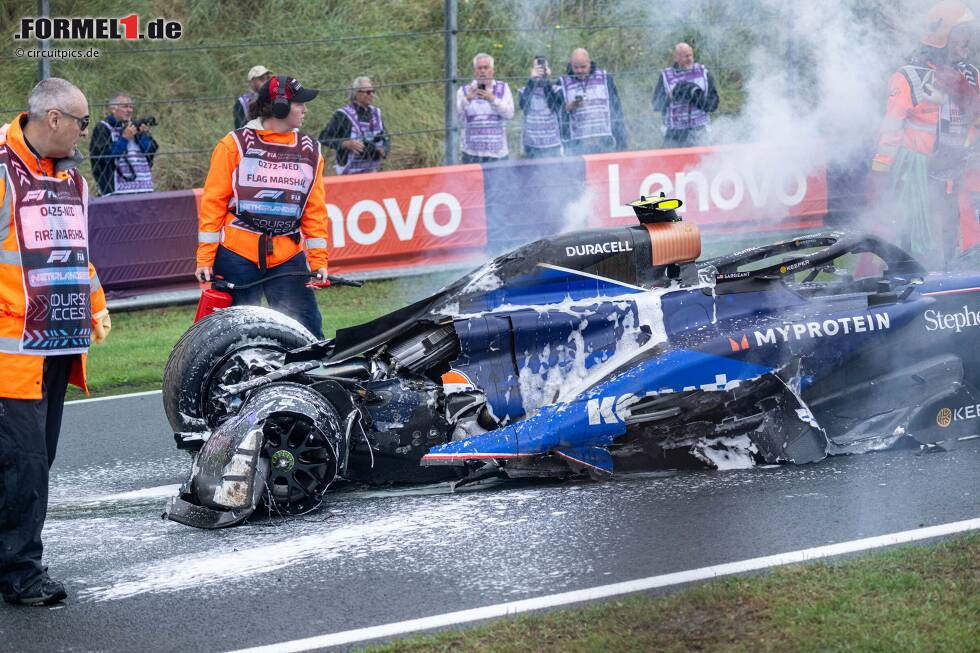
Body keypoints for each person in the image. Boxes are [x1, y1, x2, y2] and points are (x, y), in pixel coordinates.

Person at [0, 78, 111, 606]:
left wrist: (96, 302)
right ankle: (22, 574)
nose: (86, 132)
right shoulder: (2, 169)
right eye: (82, 122)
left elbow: (74, 251)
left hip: (57, 344)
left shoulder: (73, 181)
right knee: (22, 463)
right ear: (52, 119)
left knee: (35, 460)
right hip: (9, 350)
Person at [196, 76, 329, 338]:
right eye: (299, 104)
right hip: (237, 255)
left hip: (288, 257)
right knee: (230, 336)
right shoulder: (233, 145)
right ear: (279, 107)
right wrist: (205, 257)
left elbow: (314, 210)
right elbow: (213, 203)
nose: (305, 109)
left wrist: (318, 260)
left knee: (308, 335)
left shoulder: (311, 150)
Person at [871, 0, 979, 268]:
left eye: (969, 33)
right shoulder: (908, 77)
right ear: (943, 36)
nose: (967, 40)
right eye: (961, 33)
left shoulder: (972, 75)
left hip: (962, 172)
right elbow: (892, 127)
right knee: (922, 242)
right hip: (919, 177)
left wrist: (967, 96)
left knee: (964, 239)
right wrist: (881, 171)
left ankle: (961, 287)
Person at [558, 48, 627, 155]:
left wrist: (621, 139)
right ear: (571, 64)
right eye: (576, 67)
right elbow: (556, 111)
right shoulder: (562, 82)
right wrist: (569, 106)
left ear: (590, 63)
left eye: (583, 67)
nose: (579, 70)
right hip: (576, 144)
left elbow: (616, 107)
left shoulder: (605, 78)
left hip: (604, 140)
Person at [651, 42, 721, 148]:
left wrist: (696, 95)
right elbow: (656, 105)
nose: (689, 59)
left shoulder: (704, 73)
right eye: (685, 56)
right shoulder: (665, 76)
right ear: (676, 57)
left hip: (699, 131)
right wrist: (672, 95)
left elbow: (714, 104)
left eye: (690, 55)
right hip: (674, 133)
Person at [89, 93, 158, 196]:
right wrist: (124, 139)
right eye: (125, 106)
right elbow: (102, 159)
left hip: (144, 189)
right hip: (116, 193)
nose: (129, 110)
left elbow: (150, 152)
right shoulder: (103, 128)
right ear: (113, 109)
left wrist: (142, 136)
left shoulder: (135, 126)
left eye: (131, 107)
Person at [318, 76, 389, 175]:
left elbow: (385, 137)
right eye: (368, 92)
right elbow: (324, 137)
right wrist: (345, 144)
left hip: (372, 170)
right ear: (356, 93)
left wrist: (383, 149)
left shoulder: (376, 113)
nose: (371, 95)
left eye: (373, 91)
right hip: (348, 172)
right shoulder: (342, 114)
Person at [456, 53, 515, 163]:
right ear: (475, 71)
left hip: (497, 154)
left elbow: (510, 114)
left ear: (493, 70)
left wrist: (493, 99)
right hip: (471, 154)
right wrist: (467, 99)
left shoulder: (503, 87)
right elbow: (455, 117)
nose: (483, 71)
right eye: (479, 68)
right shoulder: (464, 90)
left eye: (486, 67)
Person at [518, 56, 564, 158]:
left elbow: (553, 105)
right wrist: (531, 80)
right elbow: (523, 106)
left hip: (552, 145)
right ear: (532, 70)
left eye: (543, 67)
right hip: (531, 145)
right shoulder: (524, 90)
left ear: (548, 70)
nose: (540, 70)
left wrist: (547, 81)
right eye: (537, 68)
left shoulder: (556, 89)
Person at [235, 65, 273, 130]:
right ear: (252, 81)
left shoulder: (273, 96)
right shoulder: (242, 102)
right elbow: (239, 127)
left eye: (267, 78)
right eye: (262, 79)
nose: (266, 81)